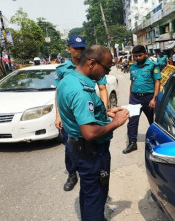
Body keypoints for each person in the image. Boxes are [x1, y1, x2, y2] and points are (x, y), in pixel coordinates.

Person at [57, 45, 130, 221]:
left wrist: (105, 113)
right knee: (96, 195)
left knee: (89, 192)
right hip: (91, 151)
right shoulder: (81, 91)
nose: (106, 72)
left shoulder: (69, 79)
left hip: (80, 149)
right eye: (106, 68)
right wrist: (116, 122)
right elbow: (89, 132)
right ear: (91, 63)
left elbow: (79, 113)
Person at [54, 35, 109, 192]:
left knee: (88, 147)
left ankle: (89, 174)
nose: (79, 50)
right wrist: (58, 115)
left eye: (82, 48)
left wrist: (104, 110)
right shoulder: (63, 70)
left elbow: (103, 89)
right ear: (68, 49)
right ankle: (72, 174)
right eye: (76, 48)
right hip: (71, 115)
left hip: (87, 111)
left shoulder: (95, 66)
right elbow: (59, 92)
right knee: (71, 145)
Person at [123, 45, 161, 154]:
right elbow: (132, 83)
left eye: (140, 55)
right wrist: (130, 97)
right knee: (132, 121)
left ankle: (156, 143)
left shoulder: (153, 65)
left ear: (145, 54)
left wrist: (154, 99)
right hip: (135, 98)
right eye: (135, 56)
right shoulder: (133, 67)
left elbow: (157, 82)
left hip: (149, 97)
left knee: (152, 121)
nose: (138, 58)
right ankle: (132, 143)